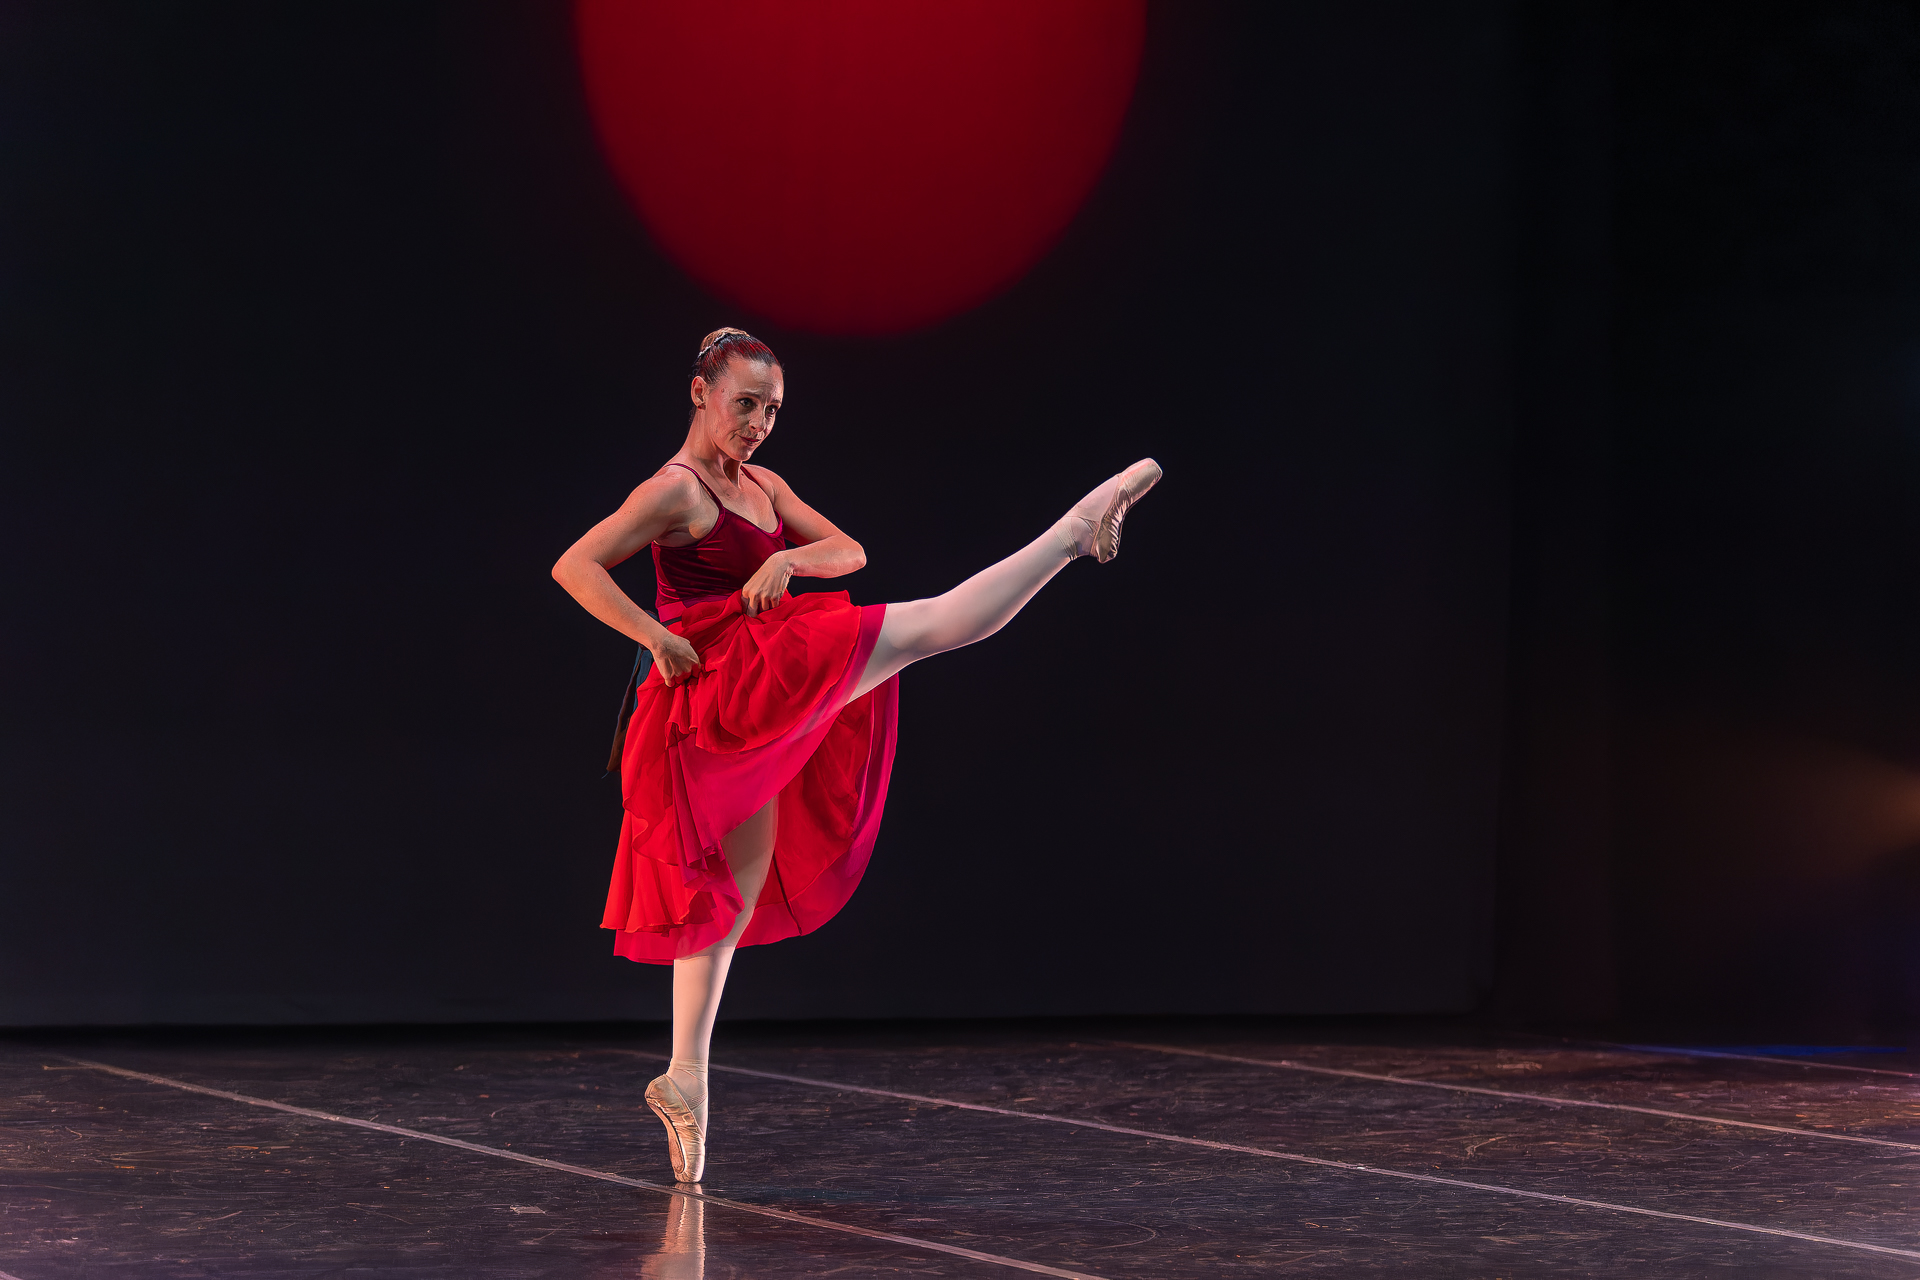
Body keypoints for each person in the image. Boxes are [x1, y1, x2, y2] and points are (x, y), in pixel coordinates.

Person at [551, 328, 1160, 1183]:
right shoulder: (675, 490)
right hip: (724, 683)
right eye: (744, 405)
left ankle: (686, 1075)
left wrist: (790, 562)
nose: (758, 424)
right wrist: (653, 637)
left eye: (772, 411)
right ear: (700, 393)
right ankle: (1073, 533)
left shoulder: (764, 485)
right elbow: (574, 565)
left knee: (730, 891)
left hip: (755, 675)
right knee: (928, 626)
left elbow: (849, 552)